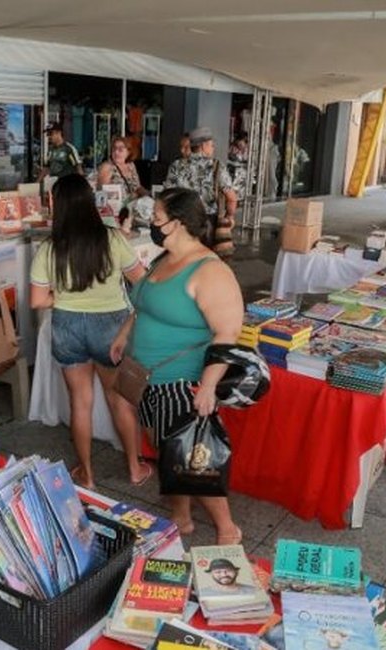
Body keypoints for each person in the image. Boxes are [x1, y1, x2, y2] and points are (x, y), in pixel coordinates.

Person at [109, 187, 244, 545]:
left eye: (156, 218)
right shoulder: (162, 258)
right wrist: (124, 336)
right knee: (170, 453)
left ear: (179, 223)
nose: (150, 224)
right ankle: (181, 517)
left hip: (182, 382)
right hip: (147, 378)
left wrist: (211, 385)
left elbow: (227, 332)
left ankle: (227, 530)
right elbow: (142, 306)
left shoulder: (210, 271)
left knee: (195, 460)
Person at [30, 174, 151, 489]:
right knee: (118, 399)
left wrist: (68, 296)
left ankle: (87, 474)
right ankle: (135, 469)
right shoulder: (112, 238)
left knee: (79, 402)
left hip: (67, 325)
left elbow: (38, 300)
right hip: (110, 326)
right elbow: (143, 281)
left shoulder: (49, 247)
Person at [165, 126, 238, 259]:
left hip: (183, 223)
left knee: (184, 260)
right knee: (206, 261)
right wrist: (230, 216)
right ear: (203, 146)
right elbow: (231, 198)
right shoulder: (217, 166)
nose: (213, 148)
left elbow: (168, 196)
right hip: (208, 225)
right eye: (211, 145)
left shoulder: (176, 165)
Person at [97, 135, 148, 201]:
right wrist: (131, 196)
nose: (116, 152)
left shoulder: (131, 165)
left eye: (120, 149)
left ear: (128, 152)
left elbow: (137, 186)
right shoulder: (107, 167)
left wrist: (146, 193)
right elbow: (101, 192)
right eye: (114, 149)